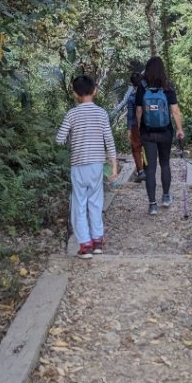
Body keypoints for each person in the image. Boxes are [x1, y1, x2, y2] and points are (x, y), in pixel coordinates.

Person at [56, 74, 118, 258]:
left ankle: (85, 245)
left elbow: (59, 139)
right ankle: (98, 241)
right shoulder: (101, 113)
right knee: (95, 203)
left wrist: (71, 137)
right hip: (97, 166)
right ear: (95, 91)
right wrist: (114, 166)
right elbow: (109, 140)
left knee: (79, 204)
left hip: (78, 165)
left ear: (75, 94)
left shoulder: (72, 114)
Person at [135, 55, 184, 216]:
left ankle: (152, 205)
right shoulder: (167, 86)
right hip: (165, 132)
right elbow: (175, 110)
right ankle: (166, 197)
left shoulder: (142, 86)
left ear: (147, 69)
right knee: (165, 163)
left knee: (150, 169)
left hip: (148, 134)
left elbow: (139, 111)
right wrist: (179, 129)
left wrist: (140, 129)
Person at [126, 70, 146, 182]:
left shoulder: (132, 97)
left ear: (133, 84)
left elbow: (130, 115)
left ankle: (141, 171)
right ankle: (148, 170)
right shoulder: (147, 94)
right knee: (147, 147)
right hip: (148, 124)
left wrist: (128, 129)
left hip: (135, 125)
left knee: (136, 148)